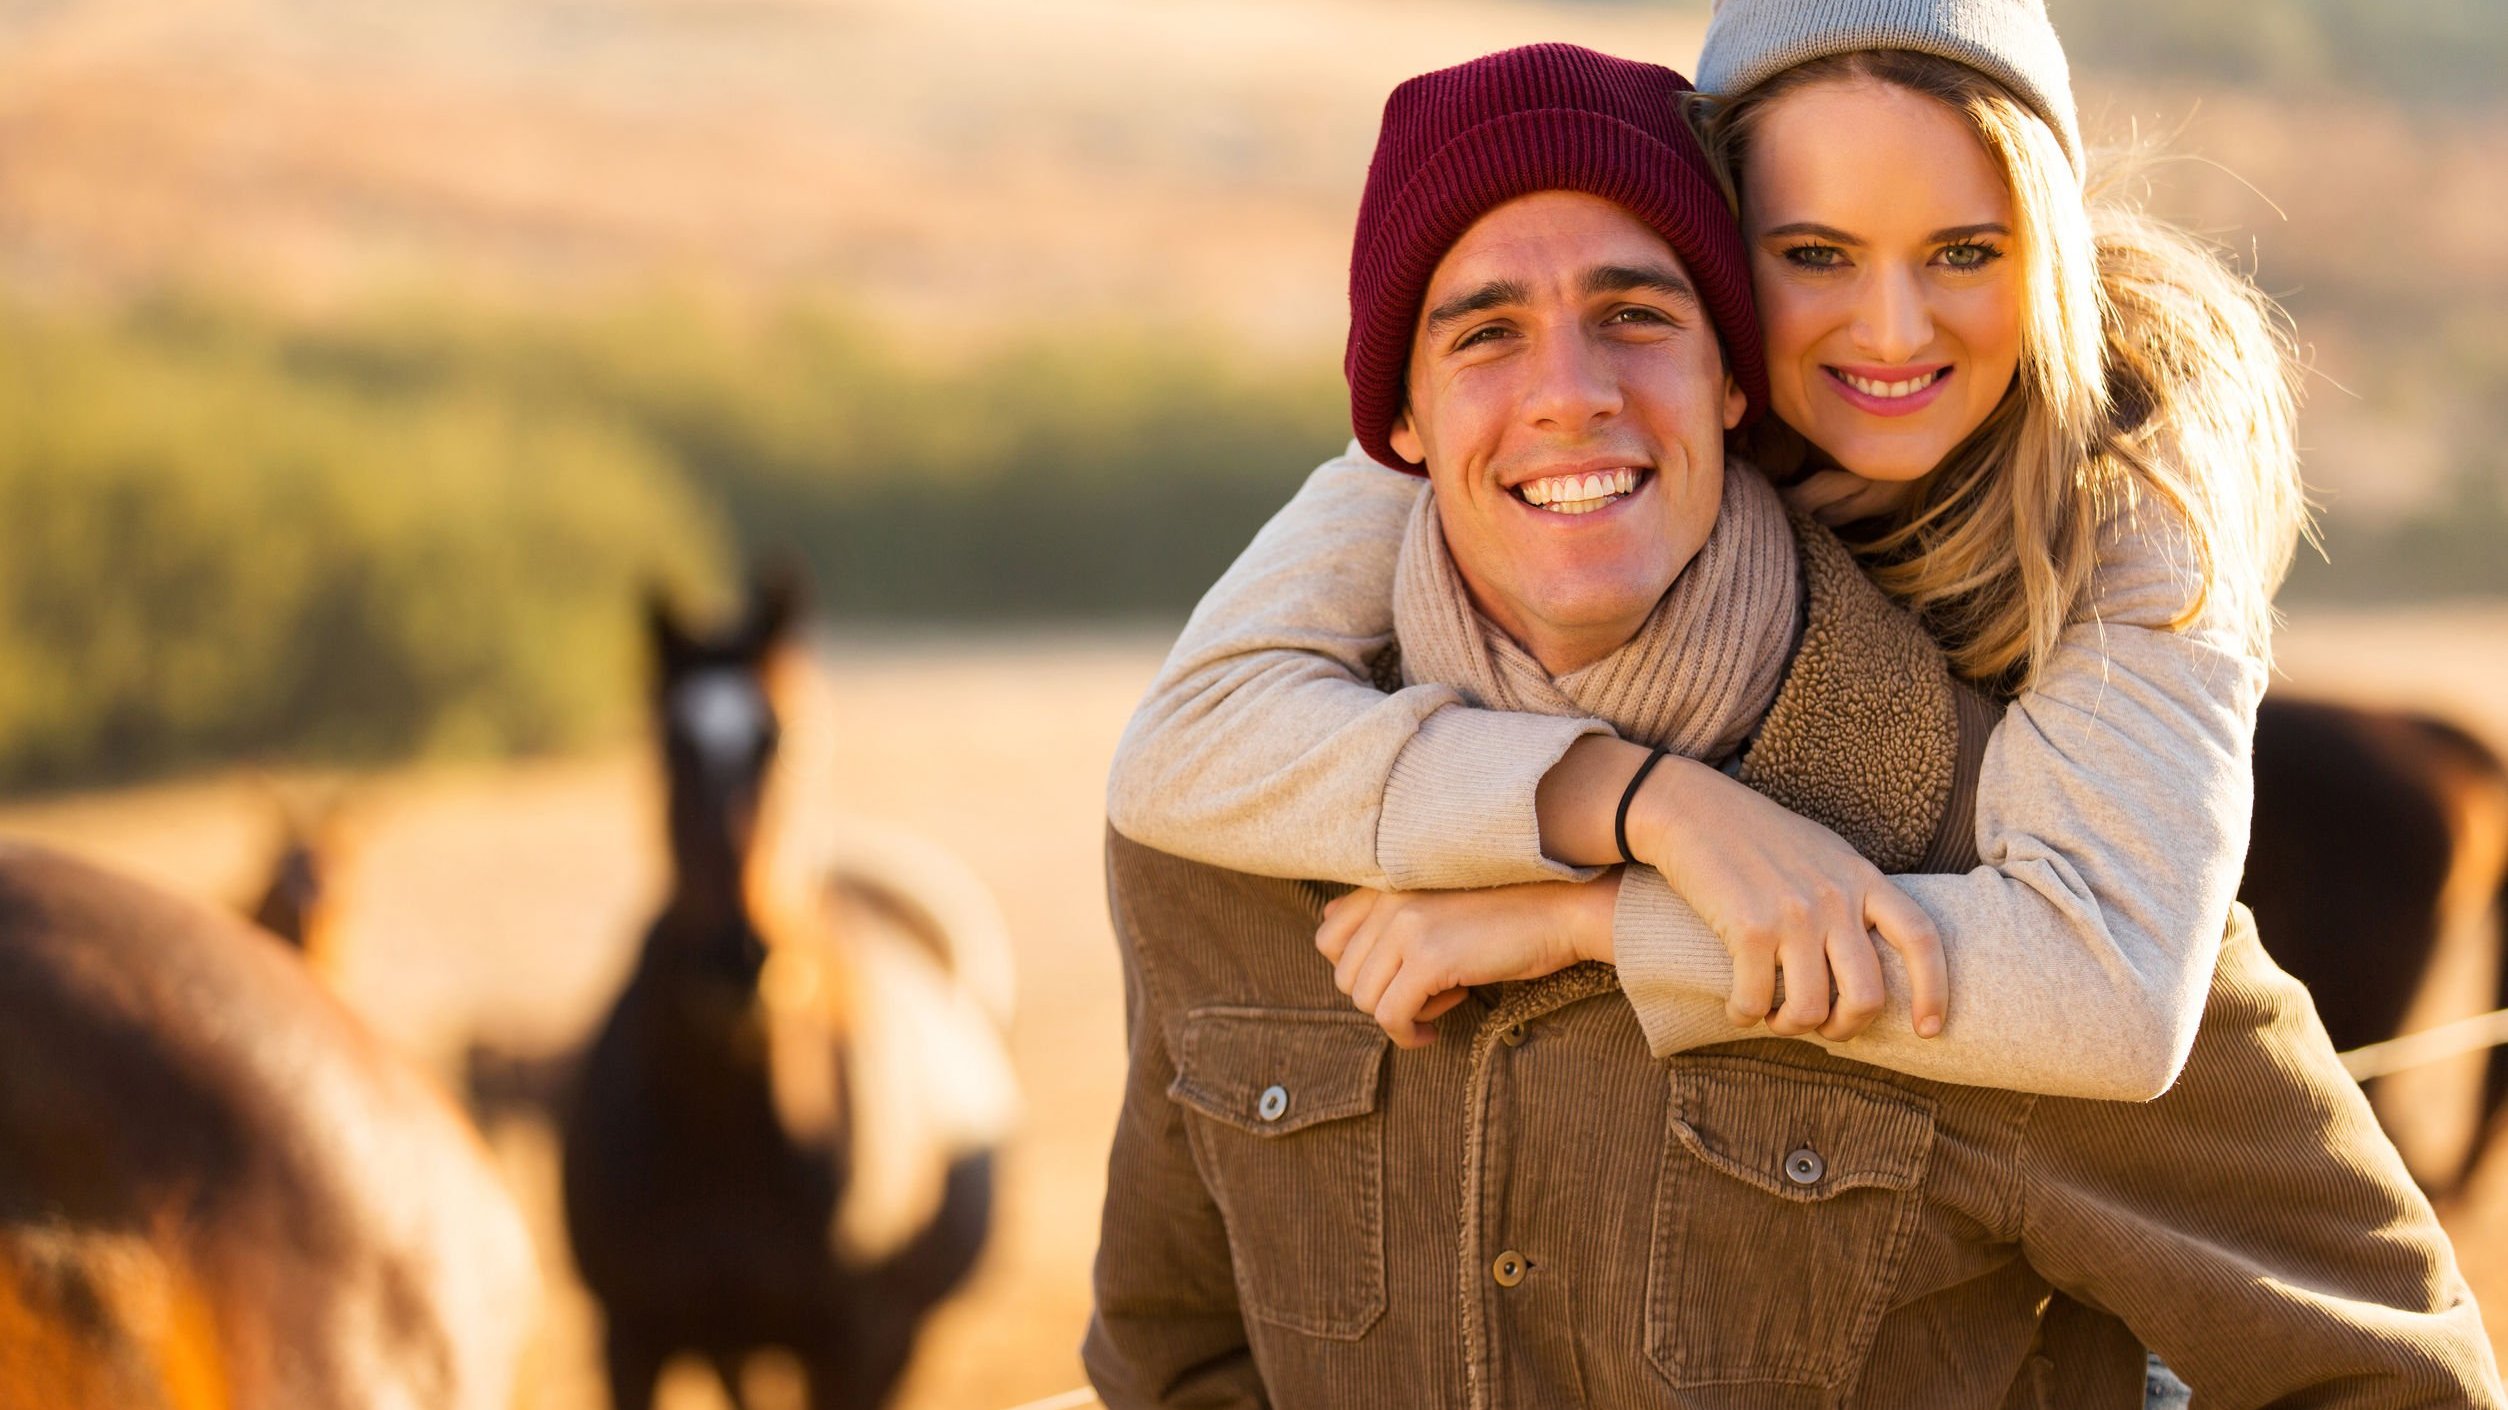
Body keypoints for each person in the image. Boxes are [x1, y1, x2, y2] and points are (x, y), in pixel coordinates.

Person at [1087, 42, 2497, 1406]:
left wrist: (1601, 919)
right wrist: (1643, 808)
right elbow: (1171, 1359)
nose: (1569, 391)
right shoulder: (1225, 842)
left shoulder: (2014, 855)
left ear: (1730, 372)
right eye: (1486, 334)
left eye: (1638, 315)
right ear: (1395, 425)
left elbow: (2385, 1367)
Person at [1111, 0, 2297, 1099]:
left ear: (2049, 249)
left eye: (1967, 252)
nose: (1892, 332)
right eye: (1816, 254)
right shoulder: (1577, 408)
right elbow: (1189, 742)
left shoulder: (2137, 476)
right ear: (1719, 245)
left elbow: (2112, 998)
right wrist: (1648, 806)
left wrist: (1588, 920)